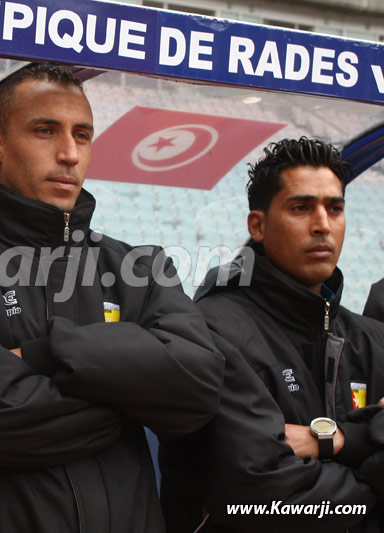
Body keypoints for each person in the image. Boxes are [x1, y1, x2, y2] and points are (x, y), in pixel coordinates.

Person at [0, 63, 224, 532]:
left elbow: (199, 386)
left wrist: (46, 352)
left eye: (82, 135)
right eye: (45, 131)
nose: (69, 154)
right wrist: (131, 394)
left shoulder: (138, 267)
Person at [160, 137, 384, 531]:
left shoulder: (372, 339)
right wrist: (374, 489)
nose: (322, 224)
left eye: (335, 208)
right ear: (258, 226)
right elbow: (263, 497)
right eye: (301, 208)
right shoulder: (212, 331)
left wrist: (335, 439)